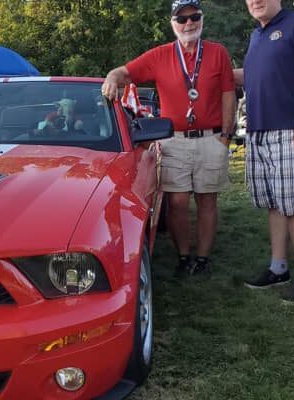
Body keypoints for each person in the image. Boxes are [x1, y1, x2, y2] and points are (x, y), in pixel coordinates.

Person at [102, 0, 236, 276]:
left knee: (207, 200)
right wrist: (113, 77)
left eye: (194, 17)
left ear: (201, 19)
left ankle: (203, 259)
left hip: (212, 138)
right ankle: (184, 256)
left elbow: (227, 93)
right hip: (173, 140)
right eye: (182, 19)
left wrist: (226, 135)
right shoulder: (159, 56)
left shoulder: (217, 52)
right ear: (172, 24)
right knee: (176, 202)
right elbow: (125, 72)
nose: (189, 23)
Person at [234, 0, 294, 302]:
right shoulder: (256, 35)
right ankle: (278, 268)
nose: (255, 1)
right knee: (274, 203)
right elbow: (254, 75)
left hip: (290, 130)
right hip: (258, 132)